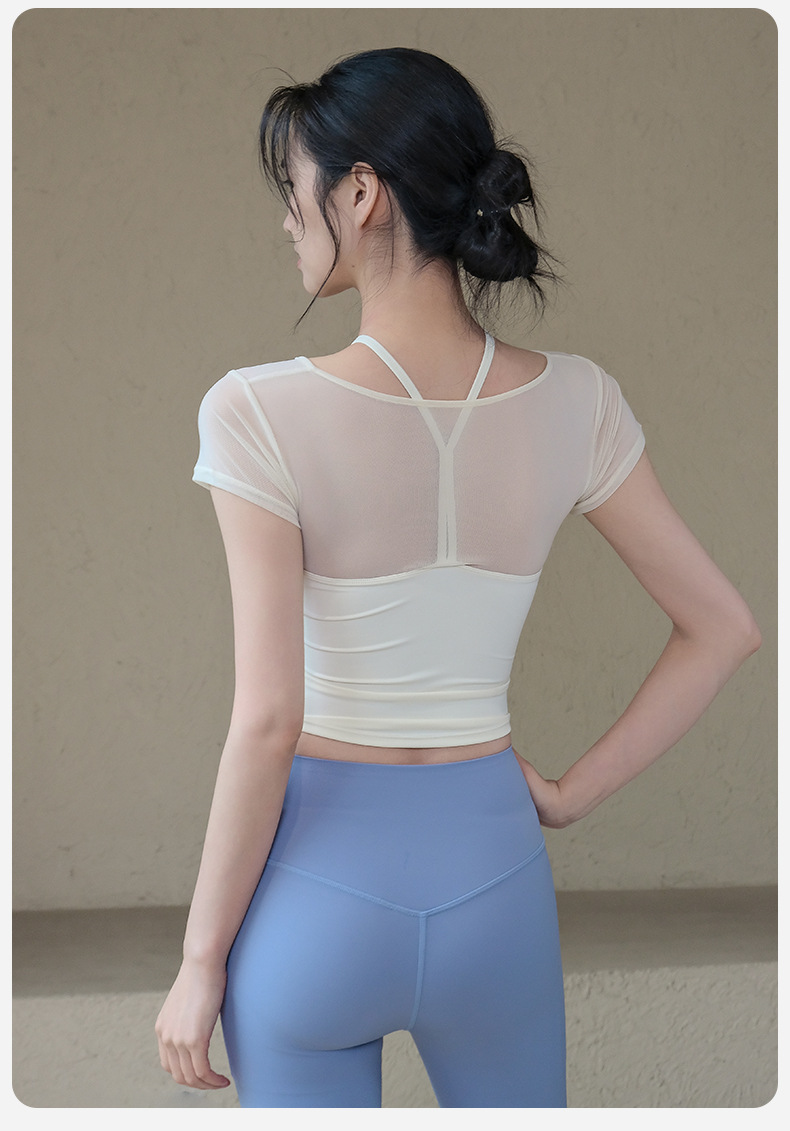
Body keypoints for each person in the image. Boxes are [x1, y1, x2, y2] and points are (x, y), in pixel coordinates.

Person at [155, 47, 761, 1108]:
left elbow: (269, 718)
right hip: (494, 881)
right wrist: (567, 796)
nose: (285, 219)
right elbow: (725, 628)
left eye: (292, 187)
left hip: (315, 891)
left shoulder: (255, 410)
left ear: (360, 192)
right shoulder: (579, 400)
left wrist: (199, 960)